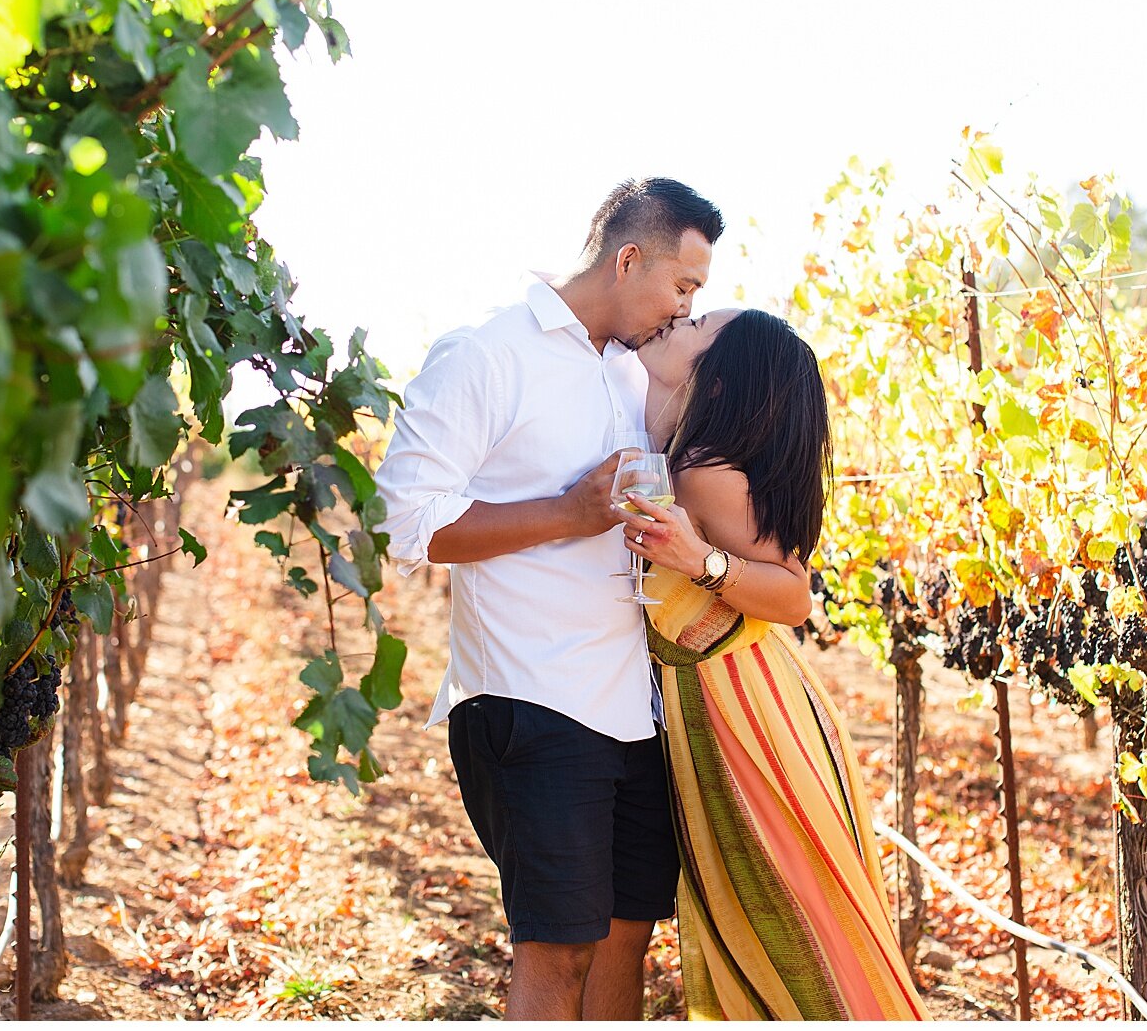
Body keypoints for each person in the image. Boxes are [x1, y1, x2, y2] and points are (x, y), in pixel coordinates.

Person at [377, 177, 725, 1020]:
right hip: (532, 699)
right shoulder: (488, 354)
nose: (684, 311)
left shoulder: (635, 373)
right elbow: (404, 523)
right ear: (628, 257)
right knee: (558, 953)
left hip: (633, 711)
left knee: (624, 942)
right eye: (681, 286)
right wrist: (568, 514)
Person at [615, 308, 930, 1020]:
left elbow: (792, 594)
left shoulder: (701, 471)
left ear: (717, 381)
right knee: (798, 904)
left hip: (740, 709)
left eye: (699, 325)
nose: (679, 321)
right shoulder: (691, 453)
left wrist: (700, 561)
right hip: (748, 693)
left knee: (787, 910)